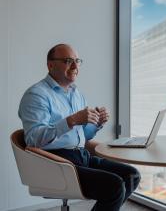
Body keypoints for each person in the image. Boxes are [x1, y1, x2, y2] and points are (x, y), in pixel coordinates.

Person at [18, 44, 140, 211]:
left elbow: (82, 136)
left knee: (132, 175)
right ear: (50, 65)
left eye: (77, 61)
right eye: (68, 61)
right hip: (55, 164)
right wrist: (71, 120)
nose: (75, 66)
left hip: (81, 157)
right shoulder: (36, 95)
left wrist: (97, 123)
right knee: (114, 186)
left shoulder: (76, 94)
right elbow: (33, 140)